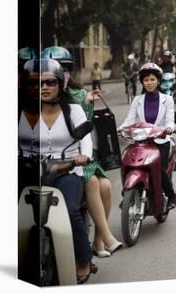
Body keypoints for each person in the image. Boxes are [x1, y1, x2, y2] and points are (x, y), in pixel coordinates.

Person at [40, 46, 122, 259]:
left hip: (78, 158)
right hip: (48, 162)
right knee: (95, 183)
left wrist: (87, 102)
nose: (48, 83)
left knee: (104, 185)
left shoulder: (77, 94)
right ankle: (104, 236)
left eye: (63, 69)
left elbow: (84, 129)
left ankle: (98, 239)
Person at [18, 59, 94, 284]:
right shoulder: (21, 111)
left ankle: (84, 259)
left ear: (60, 84)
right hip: (30, 169)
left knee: (70, 211)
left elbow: (86, 137)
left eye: (50, 81)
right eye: (38, 83)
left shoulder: (73, 109)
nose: (44, 87)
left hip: (66, 170)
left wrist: (83, 157)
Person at [118, 63, 176, 209]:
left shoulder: (167, 99)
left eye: (152, 79)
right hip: (142, 141)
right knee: (127, 161)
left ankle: (171, 196)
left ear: (158, 81)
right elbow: (129, 120)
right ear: (142, 82)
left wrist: (169, 128)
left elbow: (170, 120)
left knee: (159, 169)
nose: (149, 83)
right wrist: (121, 129)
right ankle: (129, 192)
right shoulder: (137, 100)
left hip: (161, 140)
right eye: (146, 80)